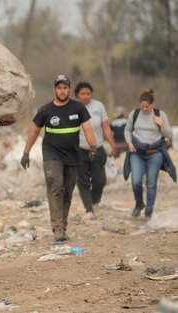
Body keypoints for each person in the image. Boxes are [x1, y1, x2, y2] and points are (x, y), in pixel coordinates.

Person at [21, 75, 97, 242]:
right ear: (54, 89)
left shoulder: (78, 108)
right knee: (56, 187)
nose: (62, 91)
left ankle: (63, 224)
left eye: (65, 88)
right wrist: (26, 153)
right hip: (51, 155)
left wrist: (93, 147)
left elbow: (87, 129)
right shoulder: (46, 110)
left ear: (69, 89)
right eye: (59, 88)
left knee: (67, 191)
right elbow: (34, 132)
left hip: (73, 155)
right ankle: (57, 229)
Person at [123, 88, 176, 219]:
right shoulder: (134, 114)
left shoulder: (160, 114)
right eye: (142, 107)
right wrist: (129, 143)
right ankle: (139, 203)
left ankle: (149, 210)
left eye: (147, 107)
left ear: (152, 105)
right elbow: (127, 130)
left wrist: (161, 125)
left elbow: (168, 134)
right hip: (137, 152)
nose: (145, 109)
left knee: (151, 183)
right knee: (136, 181)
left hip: (155, 153)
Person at [74, 82, 118, 219]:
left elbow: (106, 128)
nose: (86, 96)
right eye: (82, 94)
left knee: (100, 179)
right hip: (79, 150)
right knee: (83, 181)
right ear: (77, 95)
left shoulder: (99, 106)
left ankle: (95, 202)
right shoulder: (73, 108)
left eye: (88, 93)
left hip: (98, 148)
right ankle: (89, 209)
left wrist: (113, 146)